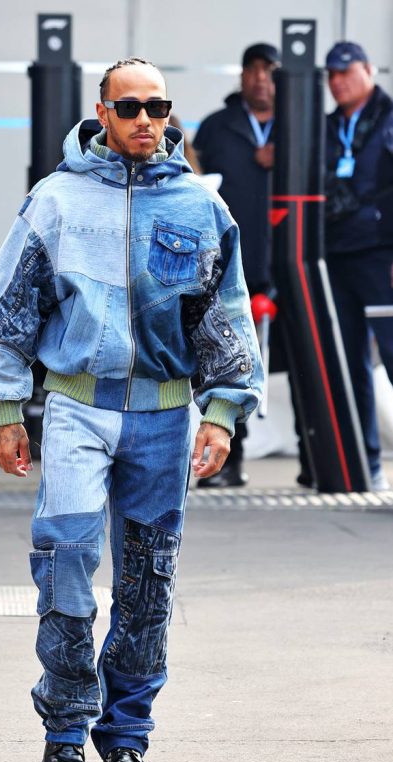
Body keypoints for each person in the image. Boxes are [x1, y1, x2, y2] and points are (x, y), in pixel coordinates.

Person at [0, 56, 263, 762]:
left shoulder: (200, 207)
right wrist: (4, 408)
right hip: (75, 409)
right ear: (102, 110)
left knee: (147, 582)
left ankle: (126, 740)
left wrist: (223, 412)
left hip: (164, 415)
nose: (142, 119)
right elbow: (6, 304)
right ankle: (64, 735)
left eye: (155, 106)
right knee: (65, 560)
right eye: (127, 106)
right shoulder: (56, 200)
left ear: (168, 114)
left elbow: (222, 316)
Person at [193, 43, 281, 487]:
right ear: (242, 76)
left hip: (292, 264)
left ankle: (328, 461)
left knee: (307, 362)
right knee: (227, 357)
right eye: (253, 70)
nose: (261, 78)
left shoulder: (300, 126)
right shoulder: (216, 127)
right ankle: (226, 463)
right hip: (229, 264)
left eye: (270, 71)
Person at [324, 42, 393, 491]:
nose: (338, 80)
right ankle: (363, 468)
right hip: (334, 255)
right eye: (332, 74)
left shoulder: (388, 117)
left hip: (381, 255)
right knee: (348, 365)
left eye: (347, 71)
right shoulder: (326, 125)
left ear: (369, 70)